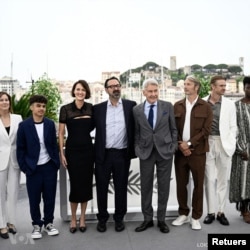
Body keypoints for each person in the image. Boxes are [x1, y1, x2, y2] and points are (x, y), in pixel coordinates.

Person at [133, 78, 177, 234]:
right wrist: (137, 148)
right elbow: (136, 132)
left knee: (164, 187)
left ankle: (162, 220)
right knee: (145, 187)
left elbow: (173, 128)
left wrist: (173, 146)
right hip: (145, 152)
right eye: (150, 91)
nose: (153, 94)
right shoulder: (137, 110)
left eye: (155, 91)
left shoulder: (167, 106)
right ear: (144, 92)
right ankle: (147, 219)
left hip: (165, 151)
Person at [93, 76, 136, 233]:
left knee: (121, 188)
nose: (115, 88)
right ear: (106, 90)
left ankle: (119, 219)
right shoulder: (97, 109)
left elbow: (139, 127)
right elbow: (85, 128)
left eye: (117, 85)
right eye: (111, 86)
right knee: (102, 188)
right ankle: (102, 219)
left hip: (122, 155)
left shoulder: (131, 106)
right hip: (103, 155)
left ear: (121, 87)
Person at [172, 75, 213, 230]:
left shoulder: (206, 107)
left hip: (198, 153)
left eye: (188, 84)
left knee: (198, 185)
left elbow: (206, 130)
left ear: (196, 87)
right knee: (181, 184)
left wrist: (188, 144)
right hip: (180, 153)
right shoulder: (177, 106)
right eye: (185, 84)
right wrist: (181, 145)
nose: (185, 86)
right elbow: (172, 128)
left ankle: (196, 217)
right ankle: (183, 213)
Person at [16, 95, 60, 239]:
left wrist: (55, 164)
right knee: (34, 199)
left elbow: (54, 145)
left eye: (43, 106)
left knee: (49, 198)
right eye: (38, 106)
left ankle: (48, 223)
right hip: (32, 169)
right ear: (31, 107)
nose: (41, 108)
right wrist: (25, 167)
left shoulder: (50, 124)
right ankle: (36, 225)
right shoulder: (24, 126)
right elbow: (20, 149)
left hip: (49, 168)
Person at [58, 80, 94, 233]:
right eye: (78, 89)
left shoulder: (91, 108)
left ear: (86, 92)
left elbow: (97, 126)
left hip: (88, 151)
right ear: (73, 91)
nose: (80, 92)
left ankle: (83, 218)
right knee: (75, 185)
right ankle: (73, 218)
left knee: (86, 185)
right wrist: (62, 153)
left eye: (83, 90)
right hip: (72, 151)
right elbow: (60, 133)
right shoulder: (65, 109)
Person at [203, 75, 237, 226]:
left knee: (223, 180)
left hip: (224, 144)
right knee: (209, 179)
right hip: (207, 143)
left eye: (225, 85)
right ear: (212, 86)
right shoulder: (202, 102)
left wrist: (231, 141)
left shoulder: (230, 104)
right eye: (221, 86)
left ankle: (221, 211)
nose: (224, 88)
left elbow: (233, 126)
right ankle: (210, 212)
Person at [0, 92, 22, 239]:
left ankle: (11, 222)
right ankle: (2, 224)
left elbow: (22, 139)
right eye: (1, 100)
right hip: (0, 160)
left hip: (14, 160)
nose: (4, 102)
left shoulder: (17, 118)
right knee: (0, 194)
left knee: (13, 192)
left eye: (6, 99)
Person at [229, 76, 250, 223]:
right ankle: (244, 209)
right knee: (243, 181)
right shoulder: (235, 106)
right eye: (248, 87)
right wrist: (240, 149)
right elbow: (232, 130)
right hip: (242, 149)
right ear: (244, 88)